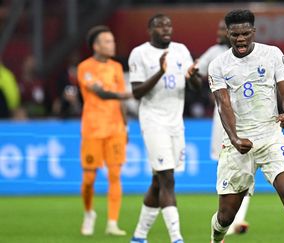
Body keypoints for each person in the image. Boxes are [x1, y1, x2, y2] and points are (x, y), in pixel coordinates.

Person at [208, 9, 284, 243]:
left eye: (245, 33)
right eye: (235, 35)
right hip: (239, 144)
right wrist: (234, 138)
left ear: (254, 31)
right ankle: (216, 238)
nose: (240, 39)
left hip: (270, 137)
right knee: (226, 216)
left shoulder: (272, 54)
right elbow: (223, 105)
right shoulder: (218, 65)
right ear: (228, 34)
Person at [128, 14, 201, 243]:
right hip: (153, 122)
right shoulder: (139, 53)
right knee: (168, 179)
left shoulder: (181, 50)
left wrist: (193, 77)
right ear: (150, 30)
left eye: (168, 25)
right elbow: (137, 92)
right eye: (160, 26)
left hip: (175, 123)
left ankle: (139, 237)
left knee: (158, 181)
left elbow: (196, 88)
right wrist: (160, 71)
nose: (166, 29)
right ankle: (177, 238)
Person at [197, 19, 251, 235]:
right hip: (223, 117)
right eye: (219, 29)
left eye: (223, 29)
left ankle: (238, 219)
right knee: (225, 163)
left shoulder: (250, 54)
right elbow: (196, 73)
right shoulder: (214, 54)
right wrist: (211, 94)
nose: (219, 33)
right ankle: (229, 217)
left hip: (248, 118)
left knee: (246, 167)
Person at [77, 25, 132, 236]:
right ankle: (89, 212)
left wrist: (125, 126)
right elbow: (100, 92)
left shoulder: (116, 67)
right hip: (92, 128)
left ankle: (112, 222)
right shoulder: (85, 67)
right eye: (107, 41)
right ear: (96, 45)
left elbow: (120, 103)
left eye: (112, 40)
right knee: (89, 179)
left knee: (115, 175)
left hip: (115, 128)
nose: (112, 44)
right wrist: (126, 95)